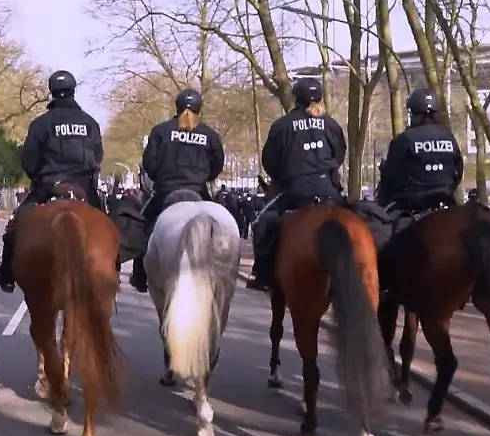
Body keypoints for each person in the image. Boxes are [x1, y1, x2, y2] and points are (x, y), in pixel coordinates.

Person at [0, 70, 104, 293]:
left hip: (49, 187)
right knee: (108, 225)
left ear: (52, 92)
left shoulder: (41, 123)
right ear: (73, 90)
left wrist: (39, 177)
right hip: (83, 187)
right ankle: (113, 268)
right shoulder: (90, 123)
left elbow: (29, 158)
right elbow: (98, 155)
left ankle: (6, 274)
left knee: (15, 227)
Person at [247, 77, 347, 291]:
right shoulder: (331, 125)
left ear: (295, 98)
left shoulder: (282, 125)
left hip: (296, 190)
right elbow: (339, 154)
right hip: (329, 189)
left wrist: (284, 176)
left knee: (261, 223)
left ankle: (262, 274)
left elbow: (270, 162)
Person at [129, 88, 225, 293]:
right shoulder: (210, 135)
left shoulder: (161, 131)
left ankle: (140, 276)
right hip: (198, 192)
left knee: (141, 225)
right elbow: (217, 165)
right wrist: (203, 177)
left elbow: (149, 163)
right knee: (222, 227)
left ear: (177, 106)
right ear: (200, 109)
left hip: (165, 192)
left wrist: (161, 178)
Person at [375, 87, 464, 231]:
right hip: (445, 200)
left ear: (414, 113)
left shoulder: (404, 139)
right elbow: (458, 170)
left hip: (411, 203)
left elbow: (391, 175)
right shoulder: (449, 137)